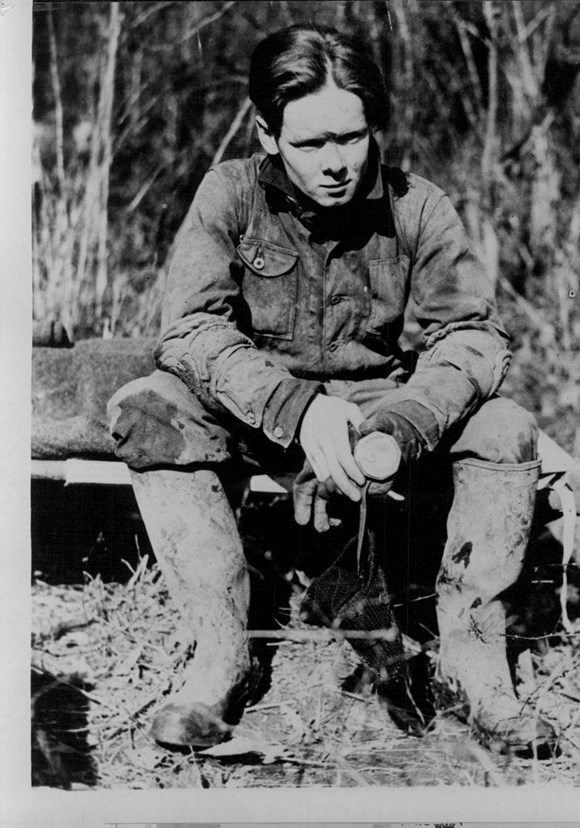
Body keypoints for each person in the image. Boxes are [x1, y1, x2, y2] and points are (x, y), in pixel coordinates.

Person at [108, 24, 555, 755]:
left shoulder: (419, 207)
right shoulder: (229, 194)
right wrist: (296, 408)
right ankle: (219, 658)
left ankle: (482, 675)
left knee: (506, 428)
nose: (339, 163)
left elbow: (472, 337)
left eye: (352, 137)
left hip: (378, 402)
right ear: (267, 133)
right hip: (253, 403)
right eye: (313, 143)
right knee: (146, 411)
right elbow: (190, 330)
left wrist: (404, 424)